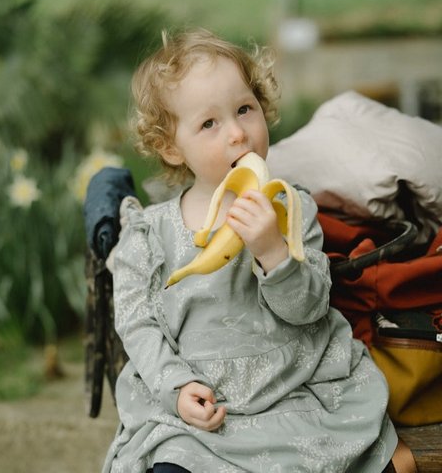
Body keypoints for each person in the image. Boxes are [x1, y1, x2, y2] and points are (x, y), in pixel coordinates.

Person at [102, 28, 398, 473]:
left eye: (245, 109)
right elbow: (136, 322)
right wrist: (176, 388)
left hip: (289, 390)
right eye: (209, 124)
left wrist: (273, 251)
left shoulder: (289, 207)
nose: (238, 134)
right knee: (168, 463)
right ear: (170, 147)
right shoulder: (149, 231)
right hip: (201, 407)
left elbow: (310, 308)